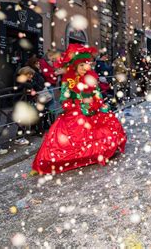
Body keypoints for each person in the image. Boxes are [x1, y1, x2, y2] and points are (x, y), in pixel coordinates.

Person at [31, 44, 127, 175]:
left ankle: (97, 153)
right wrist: (77, 104)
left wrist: (97, 103)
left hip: (93, 110)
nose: (85, 67)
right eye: (81, 65)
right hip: (77, 112)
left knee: (105, 125)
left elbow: (97, 94)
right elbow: (64, 100)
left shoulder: (91, 77)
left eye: (86, 64)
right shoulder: (68, 80)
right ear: (75, 65)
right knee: (68, 136)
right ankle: (69, 159)